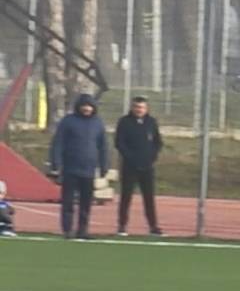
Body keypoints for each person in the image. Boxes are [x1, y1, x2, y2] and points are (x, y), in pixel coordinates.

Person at [49, 93, 108, 239]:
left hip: (88, 170)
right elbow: (58, 143)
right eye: (84, 106)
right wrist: (56, 164)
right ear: (79, 107)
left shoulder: (98, 123)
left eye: (89, 106)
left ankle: (83, 230)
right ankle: (67, 229)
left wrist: (104, 165)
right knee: (68, 201)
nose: (86, 108)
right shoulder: (68, 121)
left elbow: (103, 146)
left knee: (86, 203)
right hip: (70, 169)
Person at [114, 96, 164, 236]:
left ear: (146, 108)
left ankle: (153, 226)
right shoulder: (124, 122)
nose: (139, 110)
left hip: (147, 167)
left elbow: (158, 142)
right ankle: (122, 226)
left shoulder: (151, 122)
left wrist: (152, 157)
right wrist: (130, 157)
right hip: (129, 167)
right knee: (126, 197)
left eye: (141, 107)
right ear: (132, 107)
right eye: (136, 107)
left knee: (149, 197)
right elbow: (119, 143)